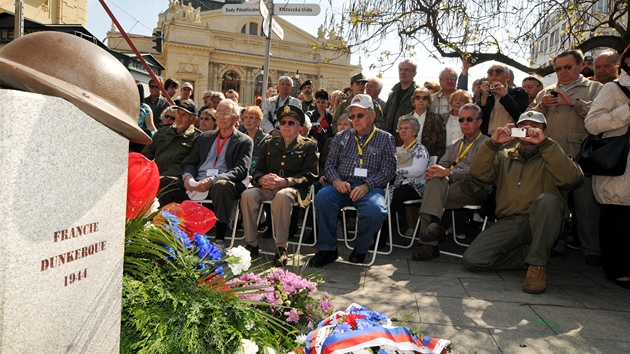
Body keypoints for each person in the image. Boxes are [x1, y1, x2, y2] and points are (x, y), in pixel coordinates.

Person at [463, 112, 584, 294]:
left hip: (543, 221)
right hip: (511, 222)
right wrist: (493, 143)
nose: (528, 132)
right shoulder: (505, 155)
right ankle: (525, 255)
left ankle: (536, 266)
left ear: (545, 131)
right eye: (523, 127)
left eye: (534, 127)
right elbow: (478, 173)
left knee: (548, 201)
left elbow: (572, 179)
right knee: (473, 260)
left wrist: (545, 144)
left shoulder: (553, 153)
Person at [530, 49, 603, 266]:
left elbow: (601, 118)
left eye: (568, 67)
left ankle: (592, 250)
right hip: (550, 157)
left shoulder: (595, 88)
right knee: (553, 204)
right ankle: (554, 244)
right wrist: (541, 106)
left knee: (586, 207)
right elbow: (527, 118)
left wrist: (575, 103)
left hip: (580, 156)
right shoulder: (547, 91)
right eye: (558, 69)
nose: (563, 72)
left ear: (581, 66)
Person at [310, 94, 396, 266]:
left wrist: (366, 186)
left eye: (360, 115)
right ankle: (327, 249)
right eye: (352, 116)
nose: (355, 119)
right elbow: (329, 165)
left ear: (372, 116)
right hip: (342, 184)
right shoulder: (341, 137)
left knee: (376, 211)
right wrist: (335, 181)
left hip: (370, 187)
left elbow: (389, 170)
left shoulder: (386, 138)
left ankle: (362, 248)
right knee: (322, 198)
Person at [158, 99, 253, 251]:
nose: (222, 117)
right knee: (166, 182)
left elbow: (240, 169)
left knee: (221, 187)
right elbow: (191, 162)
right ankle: (170, 232)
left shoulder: (244, 141)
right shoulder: (205, 137)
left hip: (223, 181)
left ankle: (220, 239)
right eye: (219, 113)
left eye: (226, 113)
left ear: (236, 118)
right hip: (198, 179)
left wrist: (213, 179)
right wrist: (188, 177)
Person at [411, 104, 492, 261]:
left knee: (432, 195)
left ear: (479, 122)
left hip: (475, 188)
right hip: (452, 186)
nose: (465, 123)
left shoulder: (486, 144)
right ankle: (435, 228)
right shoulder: (455, 144)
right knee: (434, 184)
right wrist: (434, 170)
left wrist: (448, 172)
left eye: (469, 119)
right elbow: (443, 164)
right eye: (461, 120)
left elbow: (476, 173)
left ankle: (429, 243)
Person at [240, 105, 318, 267]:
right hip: (268, 186)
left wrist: (286, 182)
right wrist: (261, 180)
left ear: (299, 127)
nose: (286, 126)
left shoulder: (308, 145)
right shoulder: (270, 143)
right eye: (283, 122)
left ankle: (281, 247)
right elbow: (259, 169)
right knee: (248, 195)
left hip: (293, 189)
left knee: (282, 196)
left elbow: (310, 175)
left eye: (291, 123)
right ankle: (252, 244)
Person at [584, 44, 630, 289]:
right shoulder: (613, 89)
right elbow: (592, 124)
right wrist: (627, 111)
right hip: (619, 168)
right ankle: (617, 269)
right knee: (617, 218)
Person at [381, 116, 430, 240]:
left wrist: (395, 171)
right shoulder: (397, 149)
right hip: (397, 184)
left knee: (394, 196)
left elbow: (417, 171)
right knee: (379, 195)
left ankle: (380, 237)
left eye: (406, 128)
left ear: (415, 131)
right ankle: (374, 232)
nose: (402, 131)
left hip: (415, 186)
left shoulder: (420, 149)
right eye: (400, 128)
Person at [142, 99, 202, 191]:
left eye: (184, 115)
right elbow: (146, 154)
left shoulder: (197, 137)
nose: (179, 117)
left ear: (194, 119)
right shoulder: (163, 131)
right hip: (155, 174)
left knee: (163, 182)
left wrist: (159, 176)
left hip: (176, 179)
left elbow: (187, 164)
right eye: (178, 113)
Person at [478, 64, 529, 135]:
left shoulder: (518, 92)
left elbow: (521, 116)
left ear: (507, 77)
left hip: (513, 137)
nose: (494, 77)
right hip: (489, 139)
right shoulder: (486, 95)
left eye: (498, 73)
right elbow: (479, 119)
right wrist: (484, 97)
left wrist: (505, 96)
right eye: (490, 74)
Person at [383, 59, 419, 135]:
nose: (402, 72)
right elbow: (384, 116)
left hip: (407, 141)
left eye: (406, 70)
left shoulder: (418, 94)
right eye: (400, 70)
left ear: (414, 73)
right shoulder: (393, 94)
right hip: (390, 140)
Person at [408, 87, 446, 158]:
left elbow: (441, 145)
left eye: (424, 98)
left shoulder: (437, 119)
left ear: (429, 102)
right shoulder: (405, 119)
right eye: (418, 97)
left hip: (429, 159)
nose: (421, 100)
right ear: (413, 102)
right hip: (408, 158)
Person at [241, 105, 271, 176]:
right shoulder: (240, 138)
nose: (248, 120)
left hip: (259, 176)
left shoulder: (267, 139)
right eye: (245, 117)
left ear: (259, 121)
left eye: (252, 117)